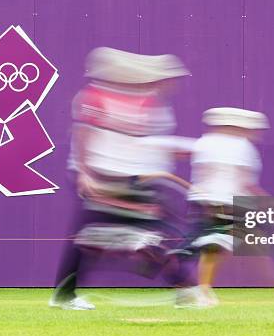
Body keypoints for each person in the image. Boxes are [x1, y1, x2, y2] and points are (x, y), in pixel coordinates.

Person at [50, 47, 197, 310]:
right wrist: (85, 173)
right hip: (101, 180)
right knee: (88, 239)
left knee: (148, 236)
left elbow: (150, 147)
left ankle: (184, 288)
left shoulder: (155, 107)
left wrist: (173, 158)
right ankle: (64, 295)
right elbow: (83, 134)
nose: (172, 84)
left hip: (134, 183)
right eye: (167, 78)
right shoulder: (94, 96)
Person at [187, 107, 269, 306]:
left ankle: (202, 289)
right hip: (226, 204)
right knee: (215, 248)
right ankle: (201, 290)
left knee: (215, 248)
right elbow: (245, 181)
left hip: (207, 202)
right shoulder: (241, 146)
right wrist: (264, 200)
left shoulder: (205, 142)